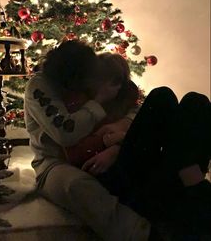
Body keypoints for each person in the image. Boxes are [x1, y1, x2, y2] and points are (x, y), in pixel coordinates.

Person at [24, 40, 151, 241]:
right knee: (76, 185)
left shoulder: (90, 81)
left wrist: (122, 125)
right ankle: (142, 234)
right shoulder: (39, 86)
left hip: (100, 149)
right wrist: (98, 101)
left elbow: (134, 105)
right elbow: (65, 133)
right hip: (52, 164)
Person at [83, 85, 211, 237]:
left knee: (185, 101)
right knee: (183, 99)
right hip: (177, 186)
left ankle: (186, 182)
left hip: (172, 200)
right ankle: (187, 179)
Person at [64, 52, 140, 168]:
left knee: (161, 95)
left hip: (128, 153)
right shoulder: (79, 101)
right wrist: (107, 140)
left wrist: (117, 146)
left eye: (117, 82)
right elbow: (72, 152)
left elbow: (141, 122)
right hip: (98, 163)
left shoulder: (125, 99)